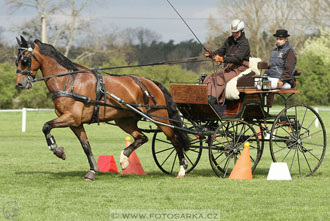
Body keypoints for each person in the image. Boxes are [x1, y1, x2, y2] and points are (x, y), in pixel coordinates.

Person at [204, 19, 250, 104]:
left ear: (242, 30)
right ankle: (206, 96)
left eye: (236, 32)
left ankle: (214, 99)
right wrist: (211, 54)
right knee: (209, 77)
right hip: (230, 67)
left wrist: (222, 59)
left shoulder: (244, 44)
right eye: (233, 32)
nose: (234, 34)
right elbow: (221, 51)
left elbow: (237, 59)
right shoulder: (229, 40)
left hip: (240, 68)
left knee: (219, 78)